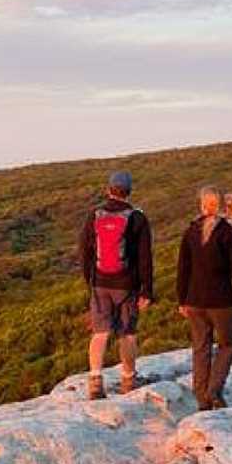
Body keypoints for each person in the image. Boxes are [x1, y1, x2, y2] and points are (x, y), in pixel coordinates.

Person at [79, 171, 154, 399]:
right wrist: (146, 290)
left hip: (100, 282)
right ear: (129, 191)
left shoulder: (95, 215)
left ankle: (94, 381)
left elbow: (84, 250)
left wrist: (90, 279)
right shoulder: (137, 218)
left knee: (100, 333)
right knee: (127, 333)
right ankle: (128, 381)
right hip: (126, 284)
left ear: (108, 189)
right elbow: (145, 257)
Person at [177, 186, 232, 411]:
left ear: (201, 205)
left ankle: (202, 399)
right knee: (227, 345)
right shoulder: (230, 233)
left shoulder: (190, 232)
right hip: (222, 302)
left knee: (200, 348)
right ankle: (214, 391)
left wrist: (181, 300)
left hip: (194, 301)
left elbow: (183, 269)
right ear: (220, 206)